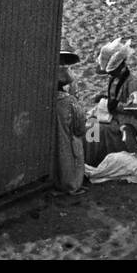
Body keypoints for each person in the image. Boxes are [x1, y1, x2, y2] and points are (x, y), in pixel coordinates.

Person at [83, 37, 137, 167]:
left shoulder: (133, 83)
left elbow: (135, 108)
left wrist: (115, 105)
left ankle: (94, 159)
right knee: (90, 121)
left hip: (127, 119)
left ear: (121, 65)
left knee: (98, 129)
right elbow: (113, 95)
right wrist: (103, 96)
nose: (110, 74)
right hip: (113, 113)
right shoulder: (114, 78)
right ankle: (90, 157)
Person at [54, 63, 86, 196]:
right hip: (68, 139)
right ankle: (72, 186)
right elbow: (80, 127)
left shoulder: (47, 99)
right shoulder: (70, 101)